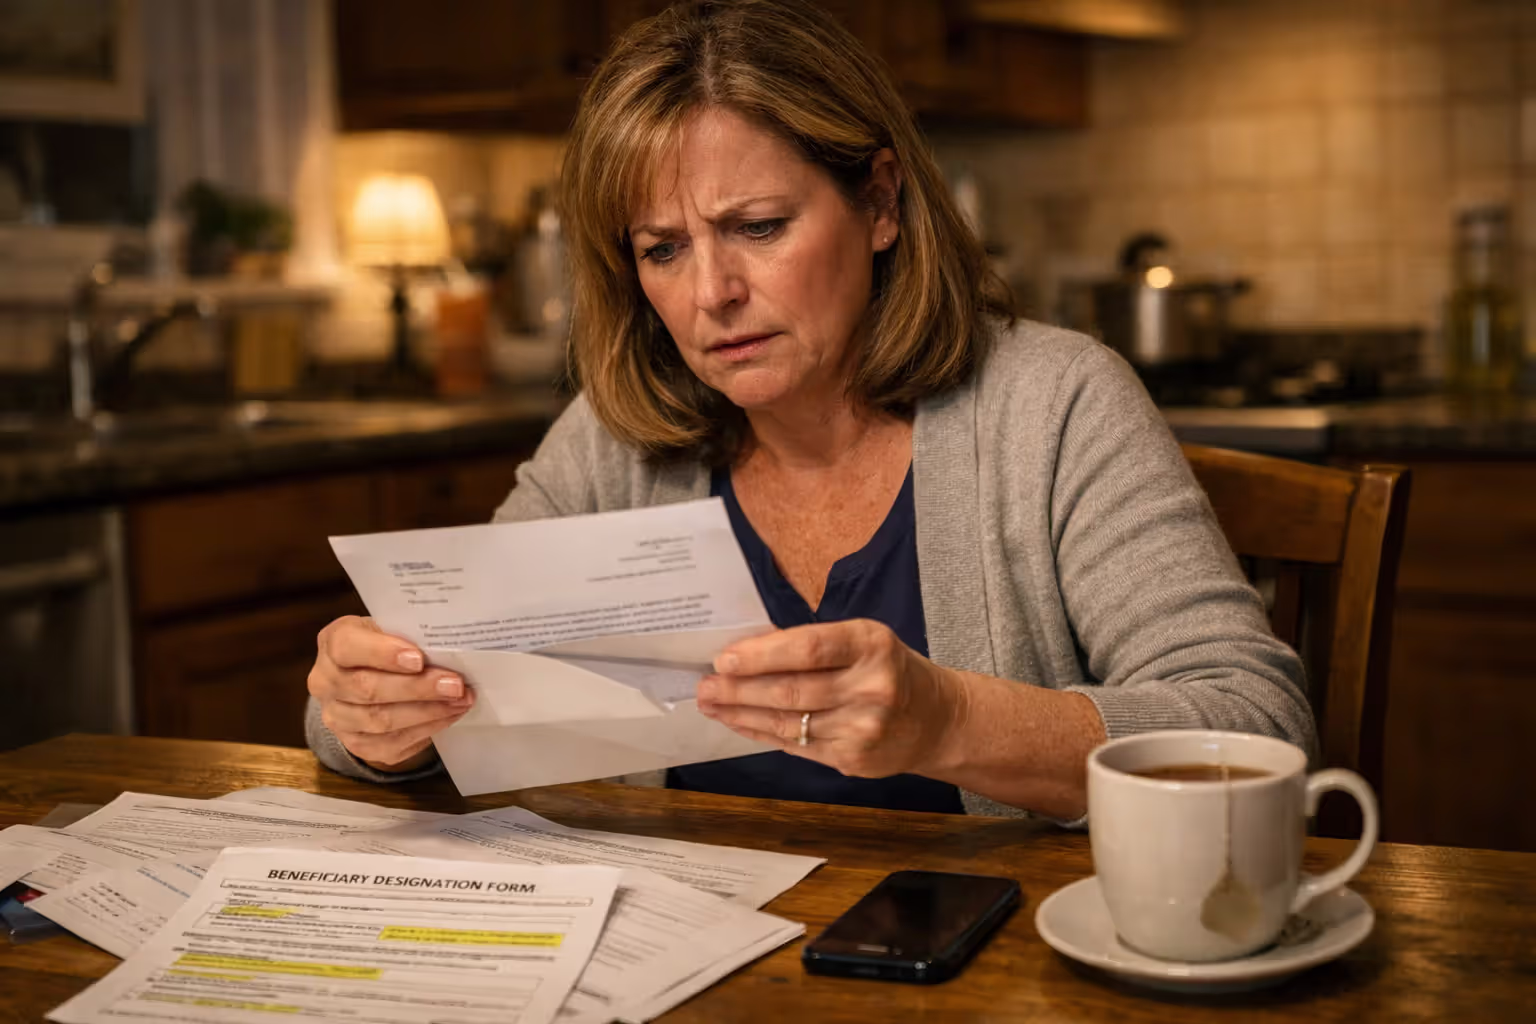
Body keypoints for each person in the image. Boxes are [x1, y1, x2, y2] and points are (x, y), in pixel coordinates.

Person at [305, 0, 1313, 823]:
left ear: (879, 203)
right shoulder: (615, 445)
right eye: (662, 249)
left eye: (759, 227)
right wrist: (372, 720)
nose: (711, 295)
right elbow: (430, 709)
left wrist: (948, 716)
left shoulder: (1052, 406)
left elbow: (1255, 726)